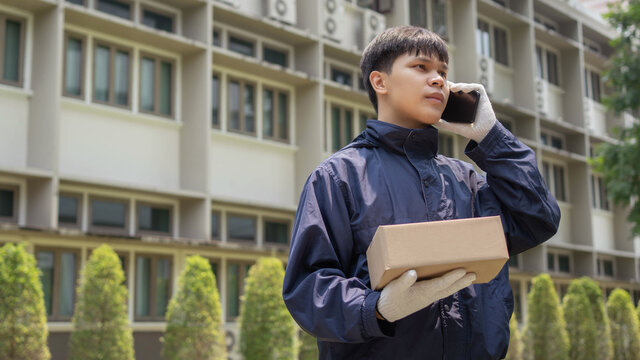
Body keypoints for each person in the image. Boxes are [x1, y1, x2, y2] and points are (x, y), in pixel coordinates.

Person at [282, 25, 561, 359]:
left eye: (443, 72)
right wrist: (377, 307)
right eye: (421, 67)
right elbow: (308, 288)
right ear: (379, 81)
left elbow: (538, 219)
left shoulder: (466, 180)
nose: (438, 79)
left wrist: (492, 136)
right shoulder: (337, 177)